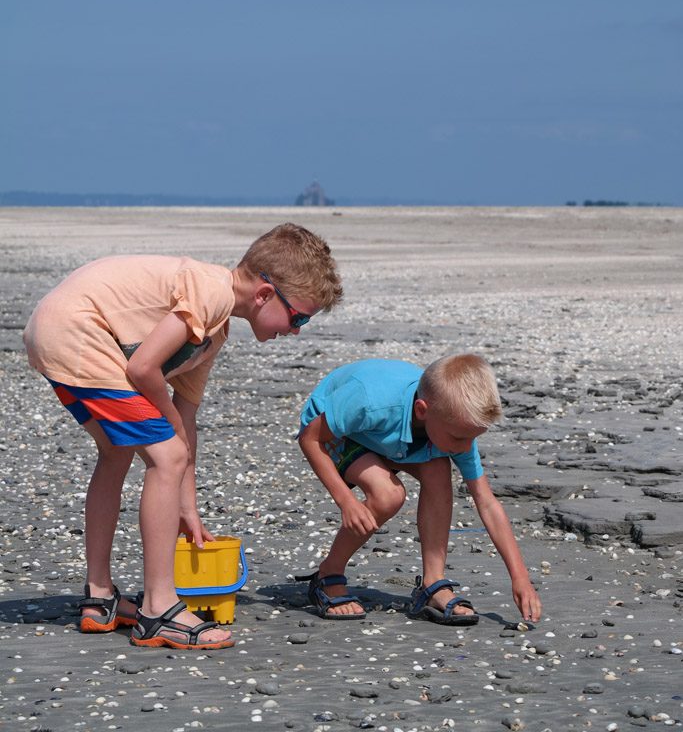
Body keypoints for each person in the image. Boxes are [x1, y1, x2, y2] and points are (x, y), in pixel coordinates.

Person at [24, 223, 342, 649]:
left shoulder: (215, 332)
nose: (297, 329)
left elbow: (184, 418)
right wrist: (170, 425)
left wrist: (187, 505)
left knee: (119, 452)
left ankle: (99, 597)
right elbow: (142, 371)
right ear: (265, 294)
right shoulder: (211, 291)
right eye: (298, 316)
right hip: (79, 332)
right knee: (166, 455)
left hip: (56, 332)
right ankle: (160, 608)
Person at [297, 354, 541, 626]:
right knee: (388, 495)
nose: (464, 447)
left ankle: (432, 584)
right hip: (338, 433)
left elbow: (486, 502)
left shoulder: (454, 424)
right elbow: (310, 438)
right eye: (459, 438)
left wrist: (520, 578)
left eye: (473, 438)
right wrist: (346, 501)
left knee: (438, 468)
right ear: (423, 410)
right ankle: (328, 574)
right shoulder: (371, 401)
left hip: (387, 436)